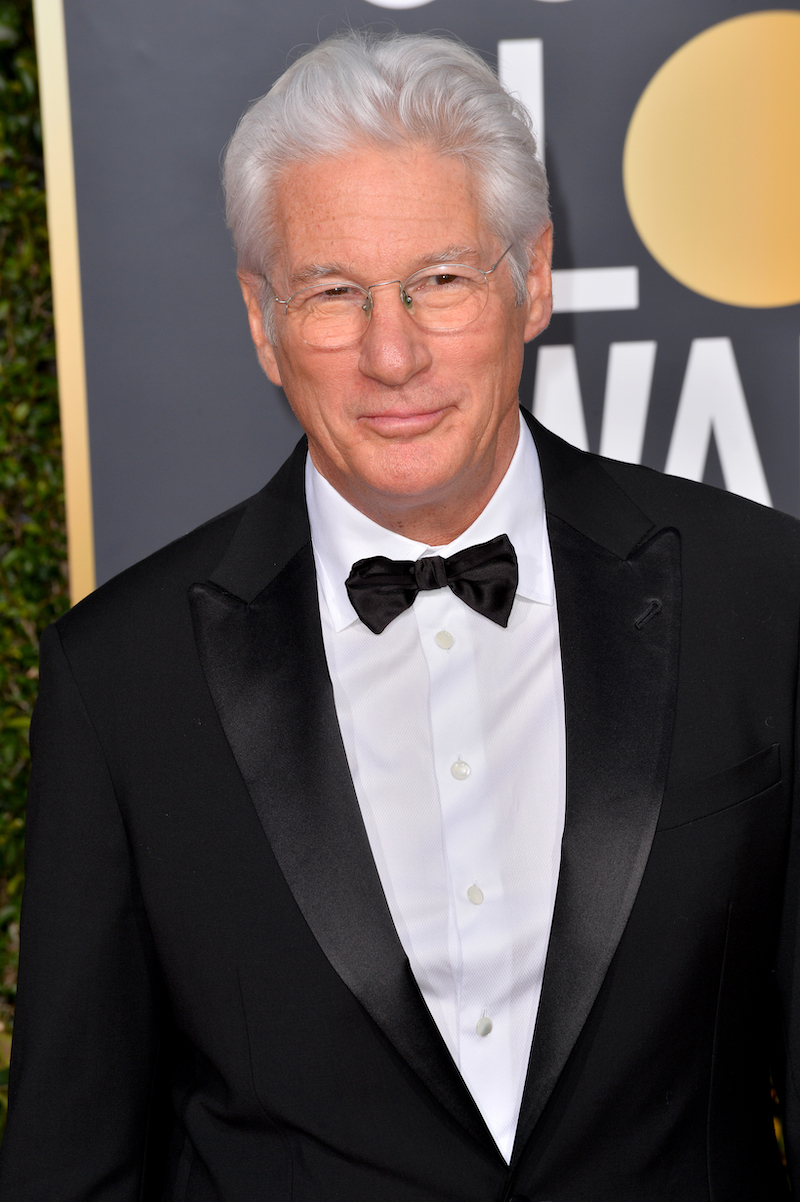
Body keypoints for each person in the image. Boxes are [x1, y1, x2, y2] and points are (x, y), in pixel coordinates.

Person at [1, 29, 799, 1202]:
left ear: (529, 278)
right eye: (333, 292)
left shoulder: (762, 596)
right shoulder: (120, 682)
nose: (392, 352)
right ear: (262, 320)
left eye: (439, 279)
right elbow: (74, 1159)